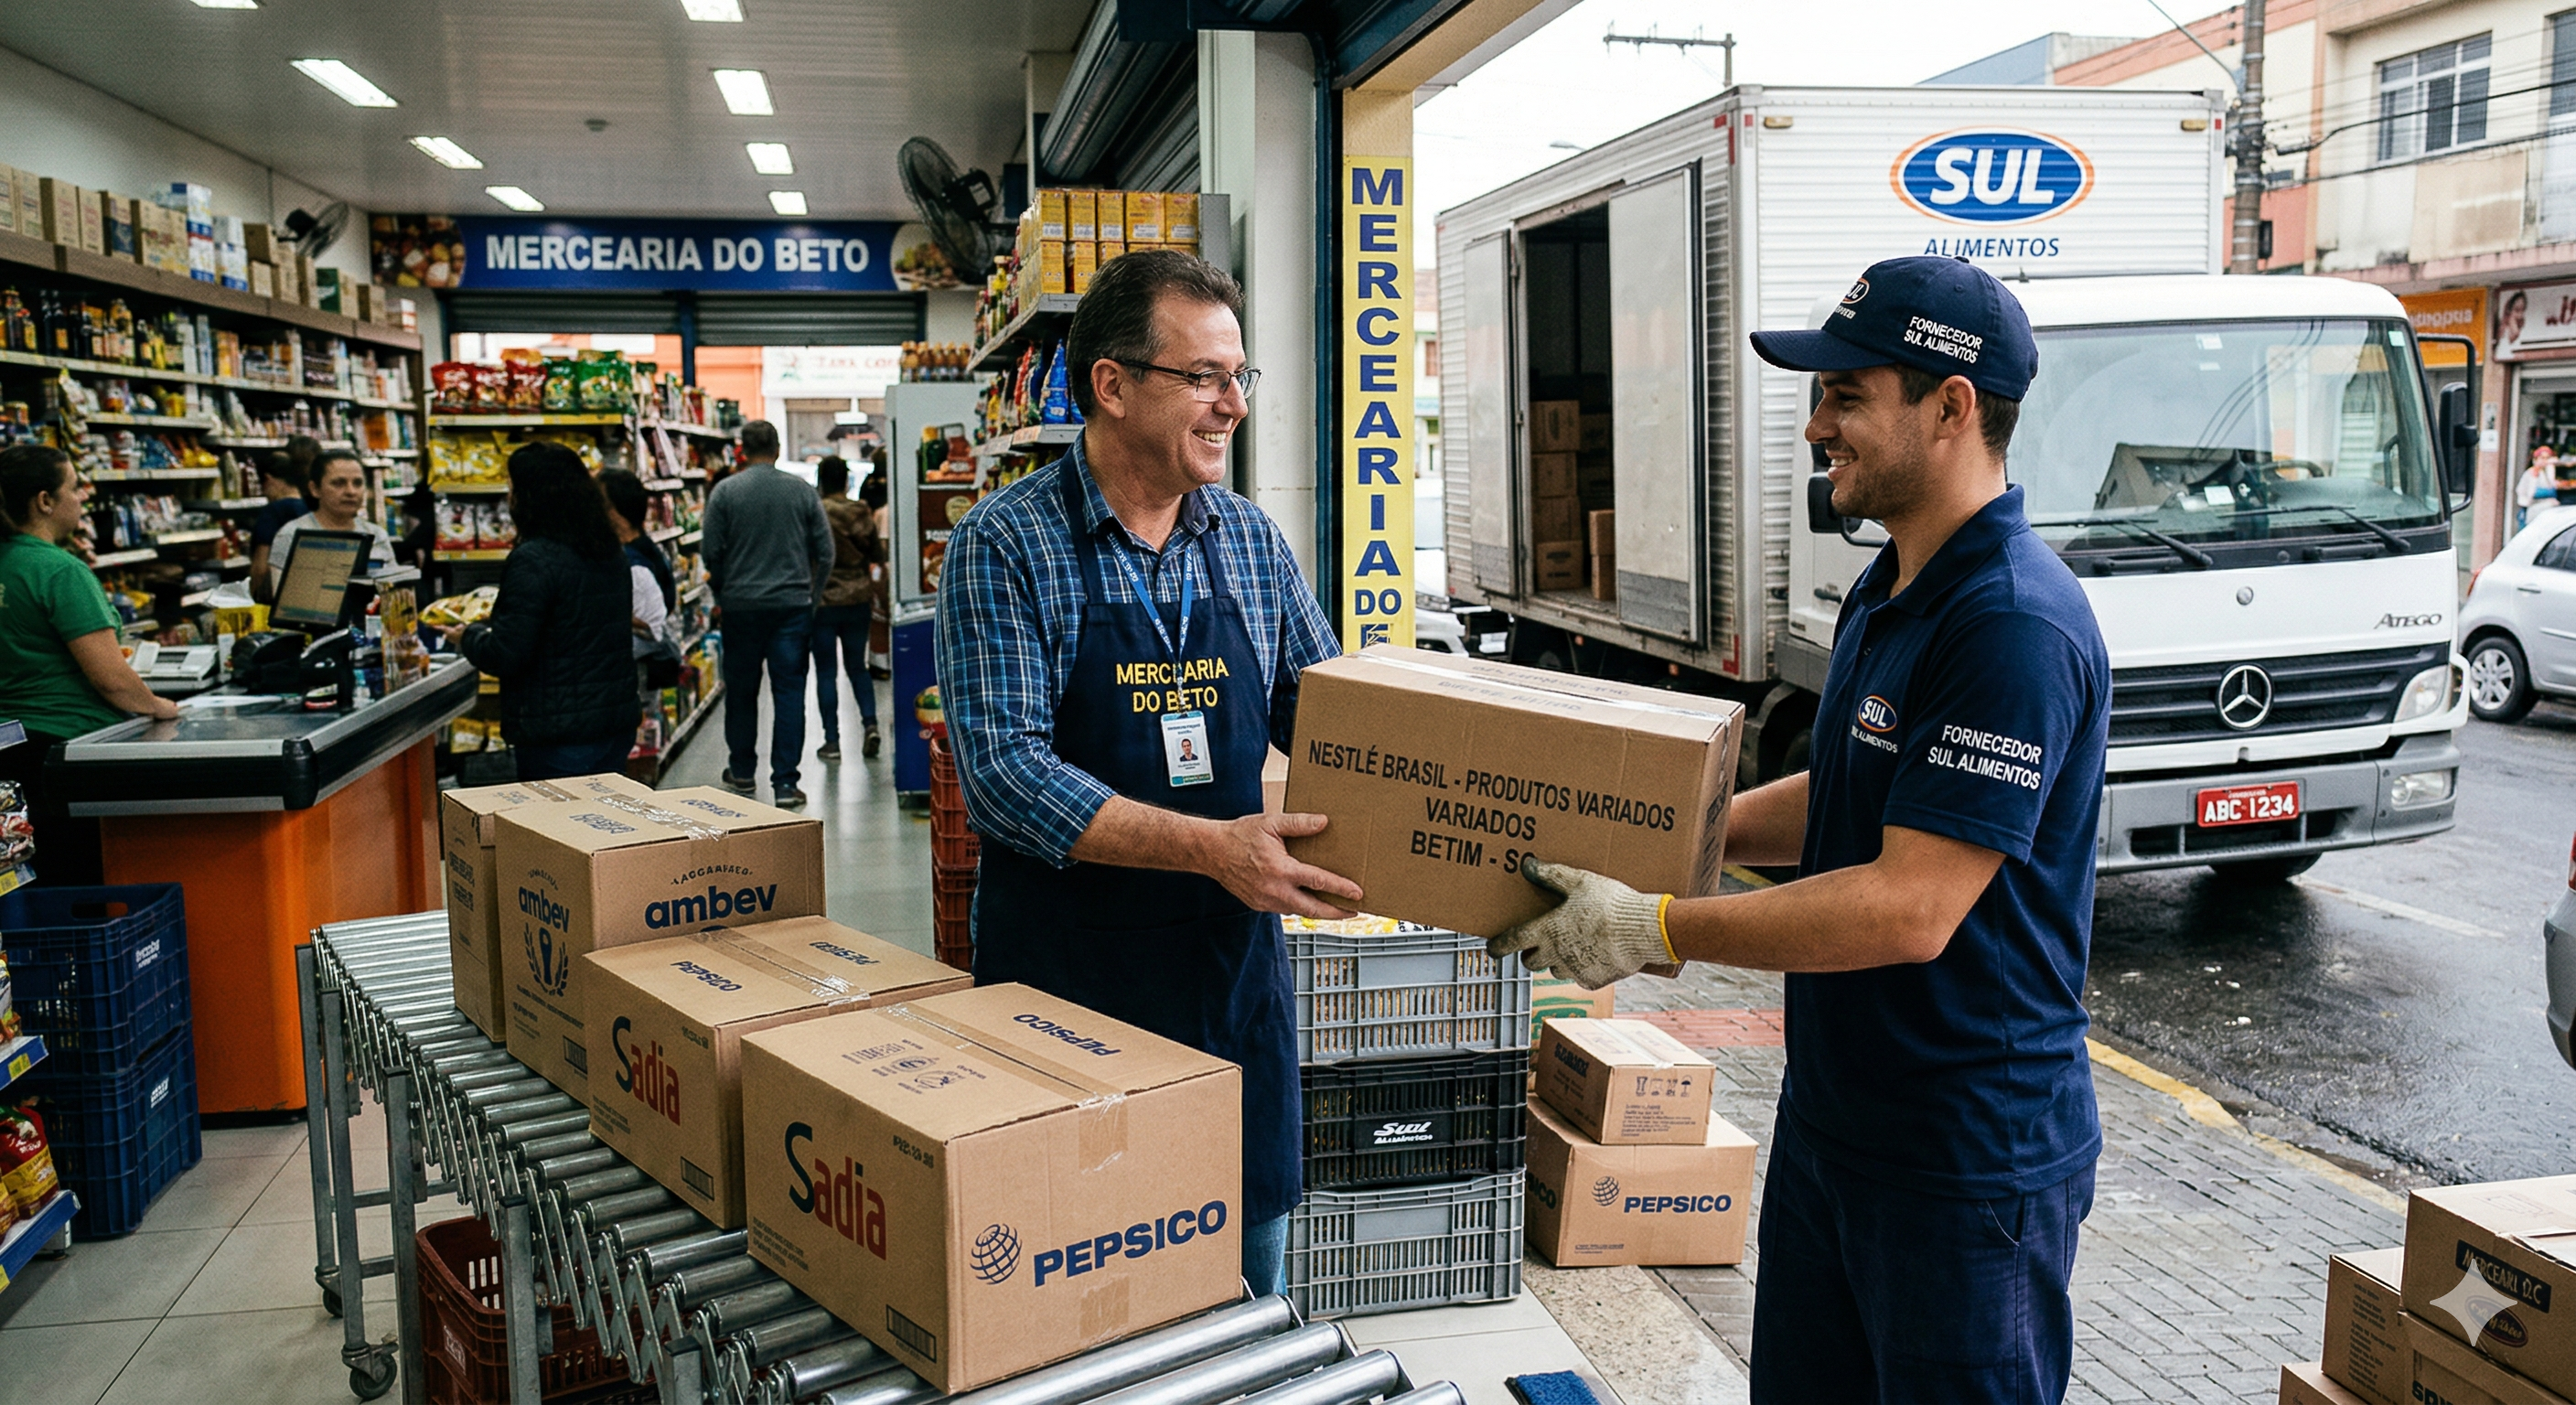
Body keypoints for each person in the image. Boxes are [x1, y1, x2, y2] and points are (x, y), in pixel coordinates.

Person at [1490, 257, 2111, 1403]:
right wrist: (1659, 836)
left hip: (1967, 1159)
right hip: (1842, 1127)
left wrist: (1653, 927)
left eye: (1845, 395)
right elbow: (1847, 792)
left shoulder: (2010, 624)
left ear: (1950, 406)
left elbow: (1909, 905)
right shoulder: (1893, 585)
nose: (1816, 423)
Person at [937, 250, 1362, 1297]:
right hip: (1067, 985)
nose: (1232, 405)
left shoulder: (1250, 542)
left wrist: (1465, 798)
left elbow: (1327, 718)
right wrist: (1211, 849)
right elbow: (1000, 774)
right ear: (1112, 385)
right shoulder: (1005, 544)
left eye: (1240, 378)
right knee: (1079, 1290)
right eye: (1205, 377)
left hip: (1225, 980)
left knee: (1242, 1290)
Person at [0, 445, 178, 885]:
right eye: (75, 488)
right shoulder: (59, 571)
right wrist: (158, 706)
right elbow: (111, 679)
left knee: (28, 886)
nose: (82, 499)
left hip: (9, 753)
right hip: (63, 755)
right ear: (45, 501)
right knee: (78, 884)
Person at [440, 443, 639, 782]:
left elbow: (506, 654)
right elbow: (573, 623)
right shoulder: (609, 551)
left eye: (512, 488)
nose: (508, 497)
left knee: (560, 829)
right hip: (612, 724)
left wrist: (468, 636)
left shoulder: (533, 559)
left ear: (529, 497)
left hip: (558, 734)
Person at [700, 419, 831, 808]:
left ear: (742, 450)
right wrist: (813, 595)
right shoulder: (802, 491)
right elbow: (825, 552)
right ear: (776, 448)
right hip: (792, 608)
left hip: (741, 607)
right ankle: (786, 783)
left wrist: (725, 590)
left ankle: (741, 772)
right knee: (789, 693)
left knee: (741, 691)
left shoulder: (725, 492)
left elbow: (710, 552)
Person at [810, 455, 884, 761]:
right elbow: (876, 554)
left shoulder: (816, 512)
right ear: (845, 481)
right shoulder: (861, 510)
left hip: (824, 601)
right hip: (857, 598)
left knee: (826, 672)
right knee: (858, 667)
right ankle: (870, 725)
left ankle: (832, 741)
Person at [268, 448, 395, 594]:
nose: (351, 491)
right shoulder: (291, 536)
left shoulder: (377, 536)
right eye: (338, 483)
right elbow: (283, 603)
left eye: (358, 483)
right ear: (315, 489)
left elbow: (394, 593)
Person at [599, 468, 682, 692]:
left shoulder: (633, 564)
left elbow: (650, 625)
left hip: (635, 673)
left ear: (614, 512)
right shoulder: (648, 550)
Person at [247, 451, 311, 600]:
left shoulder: (273, 512)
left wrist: (249, 597)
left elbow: (261, 567)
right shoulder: (310, 509)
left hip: (277, 599)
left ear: (268, 479)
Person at [2519, 445, 2560, 531]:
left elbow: (2551, 486)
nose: (2545, 461)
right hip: (2532, 511)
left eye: (2547, 458)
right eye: (2542, 458)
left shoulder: (2545, 472)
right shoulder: (2530, 473)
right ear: (2536, 459)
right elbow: (2529, 493)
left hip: (2545, 512)